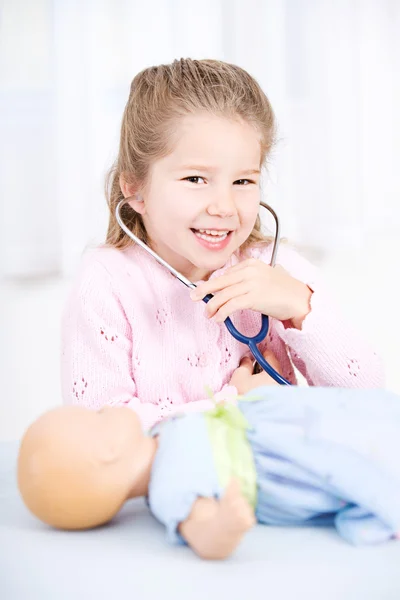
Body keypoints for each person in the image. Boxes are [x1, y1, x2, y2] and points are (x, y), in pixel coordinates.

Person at [61, 58, 384, 431]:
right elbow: (101, 430)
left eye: (243, 182)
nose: (224, 207)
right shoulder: (108, 282)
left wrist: (299, 305)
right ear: (134, 188)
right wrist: (237, 408)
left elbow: (369, 400)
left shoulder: (276, 271)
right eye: (196, 179)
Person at [18, 358, 400, 560]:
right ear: (108, 452)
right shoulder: (167, 488)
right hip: (285, 463)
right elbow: (199, 529)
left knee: (362, 419)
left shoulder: (161, 436)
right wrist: (222, 527)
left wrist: (243, 394)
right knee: (361, 451)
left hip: (278, 426)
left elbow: (213, 422)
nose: (103, 407)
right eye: (96, 416)